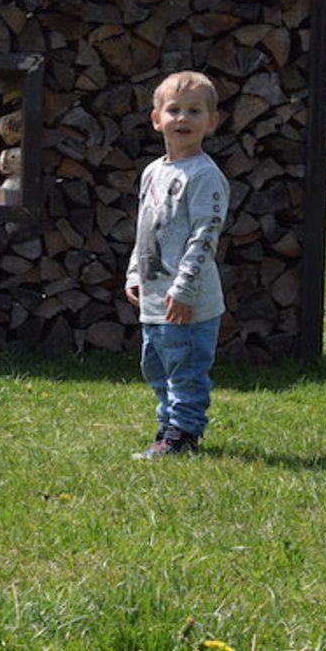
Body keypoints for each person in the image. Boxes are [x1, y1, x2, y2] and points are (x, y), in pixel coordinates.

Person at [125, 71, 230, 458]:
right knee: (155, 366)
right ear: (156, 119)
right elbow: (145, 228)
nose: (182, 118)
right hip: (155, 298)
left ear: (211, 121)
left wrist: (184, 288)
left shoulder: (204, 176)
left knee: (184, 368)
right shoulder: (153, 172)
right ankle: (168, 425)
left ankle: (183, 434)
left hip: (188, 301)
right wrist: (136, 272)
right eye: (173, 110)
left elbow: (205, 236)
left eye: (194, 111)